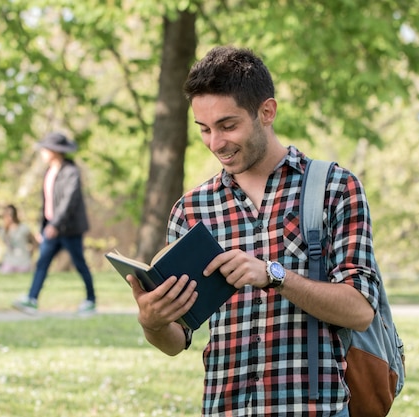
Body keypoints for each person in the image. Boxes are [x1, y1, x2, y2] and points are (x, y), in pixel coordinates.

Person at [126, 46, 379, 416]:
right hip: (225, 408)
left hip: (314, 409)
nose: (216, 143)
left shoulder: (334, 188)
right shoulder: (191, 210)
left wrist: (274, 275)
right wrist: (152, 322)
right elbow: (176, 339)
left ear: (267, 112)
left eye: (228, 126)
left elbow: (361, 310)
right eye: (205, 129)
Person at [12, 132, 97, 315]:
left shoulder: (70, 172)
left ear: (55, 151)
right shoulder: (49, 172)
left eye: (45, 149)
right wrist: (42, 227)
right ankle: (32, 299)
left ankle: (91, 300)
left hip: (69, 229)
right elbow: (47, 203)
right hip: (51, 228)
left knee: (79, 263)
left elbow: (69, 201)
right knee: (42, 262)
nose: (42, 153)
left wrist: (55, 225)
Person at [0, 204, 35, 274]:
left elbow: (34, 241)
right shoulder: (2, 231)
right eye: (7, 214)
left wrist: (31, 252)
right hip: (9, 261)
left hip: (23, 261)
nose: (10, 217)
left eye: (12, 214)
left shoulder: (23, 228)